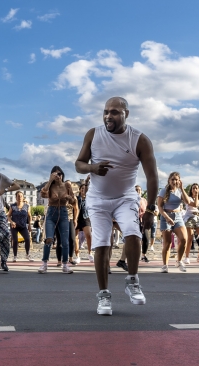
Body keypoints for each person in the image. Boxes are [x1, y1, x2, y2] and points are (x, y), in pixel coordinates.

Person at [75, 97, 159, 315]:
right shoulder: (93, 134)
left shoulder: (140, 140)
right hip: (98, 200)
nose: (108, 116)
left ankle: (132, 281)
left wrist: (151, 209)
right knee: (102, 243)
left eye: (114, 112)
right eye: (105, 111)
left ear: (126, 114)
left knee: (133, 233)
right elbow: (79, 164)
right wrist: (93, 168)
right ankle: (103, 295)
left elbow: (152, 177)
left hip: (125, 197)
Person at [38, 167, 76, 274]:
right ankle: (44, 264)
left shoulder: (67, 185)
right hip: (51, 213)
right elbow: (43, 194)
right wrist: (50, 181)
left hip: (63, 213)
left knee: (65, 241)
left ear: (62, 175)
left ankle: (65, 265)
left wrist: (69, 198)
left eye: (59, 174)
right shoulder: (50, 186)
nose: (58, 176)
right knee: (49, 239)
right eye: (55, 174)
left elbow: (73, 201)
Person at [158, 172, 191, 273]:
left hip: (178, 216)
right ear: (169, 180)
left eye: (176, 179)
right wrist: (167, 217)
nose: (174, 181)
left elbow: (188, 202)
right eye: (172, 179)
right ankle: (165, 265)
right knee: (168, 243)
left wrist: (182, 189)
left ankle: (179, 261)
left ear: (179, 181)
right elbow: (159, 206)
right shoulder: (164, 191)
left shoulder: (180, 191)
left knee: (184, 239)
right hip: (166, 216)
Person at [183, 183, 199, 264]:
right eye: (193, 188)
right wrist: (196, 195)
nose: (195, 190)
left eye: (197, 188)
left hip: (197, 218)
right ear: (191, 190)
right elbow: (195, 204)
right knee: (190, 238)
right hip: (189, 218)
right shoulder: (188, 198)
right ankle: (186, 257)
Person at [8, 190, 33, 262]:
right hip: (14, 226)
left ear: (23, 197)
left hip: (23, 226)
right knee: (15, 240)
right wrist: (11, 222)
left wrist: (29, 225)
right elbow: (8, 216)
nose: (20, 197)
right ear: (16, 197)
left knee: (27, 239)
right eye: (18, 196)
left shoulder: (27, 206)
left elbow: (29, 216)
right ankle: (15, 256)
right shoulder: (13, 206)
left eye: (21, 196)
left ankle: (27, 254)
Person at [77, 181, 93, 262]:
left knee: (89, 235)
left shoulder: (89, 199)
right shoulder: (77, 198)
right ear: (80, 190)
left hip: (86, 217)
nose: (83, 190)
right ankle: (77, 255)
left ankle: (90, 253)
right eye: (82, 188)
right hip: (77, 218)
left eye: (85, 188)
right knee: (75, 238)